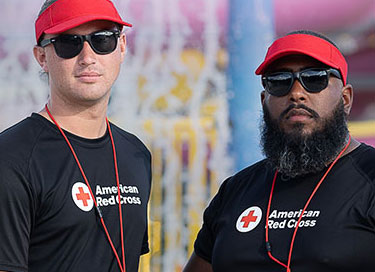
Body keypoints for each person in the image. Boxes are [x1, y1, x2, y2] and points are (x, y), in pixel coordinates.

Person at [183, 30, 375, 272]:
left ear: (346, 99)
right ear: (264, 100)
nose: (296, 93)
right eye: (279, 82)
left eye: (315, 78)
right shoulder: (235, 190)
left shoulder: (369, 178)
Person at [0, 0, 151, 271]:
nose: (87, 57)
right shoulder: (11, 159)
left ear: (122, 47)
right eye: (68, 43)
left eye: (102, 40)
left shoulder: (136, 154)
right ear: (42, 57)